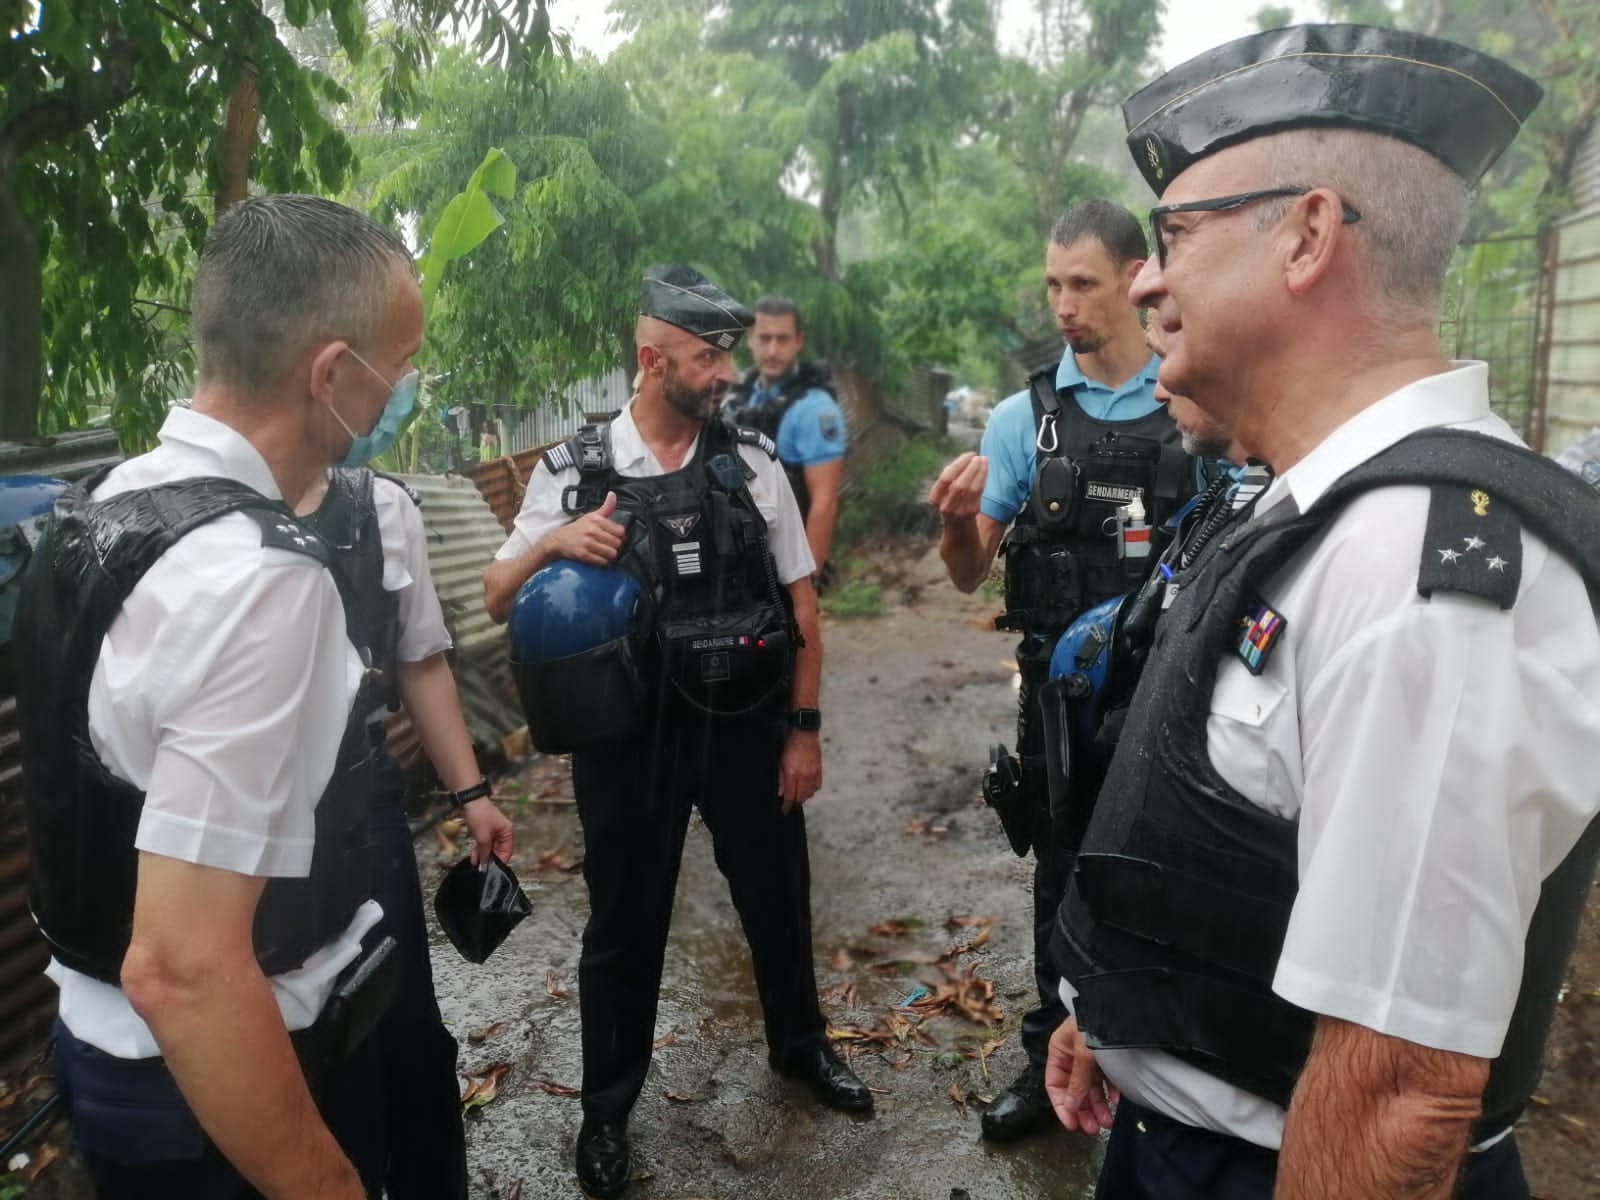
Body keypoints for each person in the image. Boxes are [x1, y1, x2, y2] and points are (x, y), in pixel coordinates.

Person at [1045, 23, 1600, 1200]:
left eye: (1175, 237)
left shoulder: (1423, 577)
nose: (1147, 279)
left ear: (1305, 235)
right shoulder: (1312, 510)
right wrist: (1123, 1015)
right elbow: (1237, 831)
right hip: (1179, 1134)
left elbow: (1399, 1092)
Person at [12, 194, 423, 1197]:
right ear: (331, 374)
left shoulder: (98, 508)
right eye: (399, 369)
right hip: (221, 1093)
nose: (403, 393)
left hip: (107, 1057)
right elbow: (184, 970)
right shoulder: (264, 583)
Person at [482, 265, 871, 1200]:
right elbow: (497, 594)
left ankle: (800, 1048)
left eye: (728, 353)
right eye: (707, 355)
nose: (725, 371)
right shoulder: (574, 473)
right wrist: (551, 544)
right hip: (629, 746)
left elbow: (801, 602)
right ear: (652, 360)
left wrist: (804, 733)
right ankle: (607, 1112)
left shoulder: (751, 461)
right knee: (624, 929)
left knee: (778, 901)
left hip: (745, 730)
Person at [926, 200, 1204, 1144]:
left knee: (1168, 871)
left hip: (1168, 689)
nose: (1062, 304)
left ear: (1136, 278)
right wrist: (955, 519)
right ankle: (1049, 1050)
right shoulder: (1023, 419)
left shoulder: (1191, 396)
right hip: (1056, 698)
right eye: (1052, 284)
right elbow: (970, 572)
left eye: (1081, 283)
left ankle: (1157, 1073)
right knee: (1061, 874)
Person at [294, 462, 515, 1200]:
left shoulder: (377, 506)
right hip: (235, 804)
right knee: (292, 1035)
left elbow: (421, 657)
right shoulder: (172, 503)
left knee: (401, 1020)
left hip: (358, 790)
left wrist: (471, 793)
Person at [723, 295, 848, 588]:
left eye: (782, 339)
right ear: (750, 339)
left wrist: (809, 582)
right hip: (734, 562)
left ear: (798, 341)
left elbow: (824, 501)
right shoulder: (737, 396)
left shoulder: (815, 409)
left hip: (785, 566)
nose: (772, 350)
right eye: (764, 338)